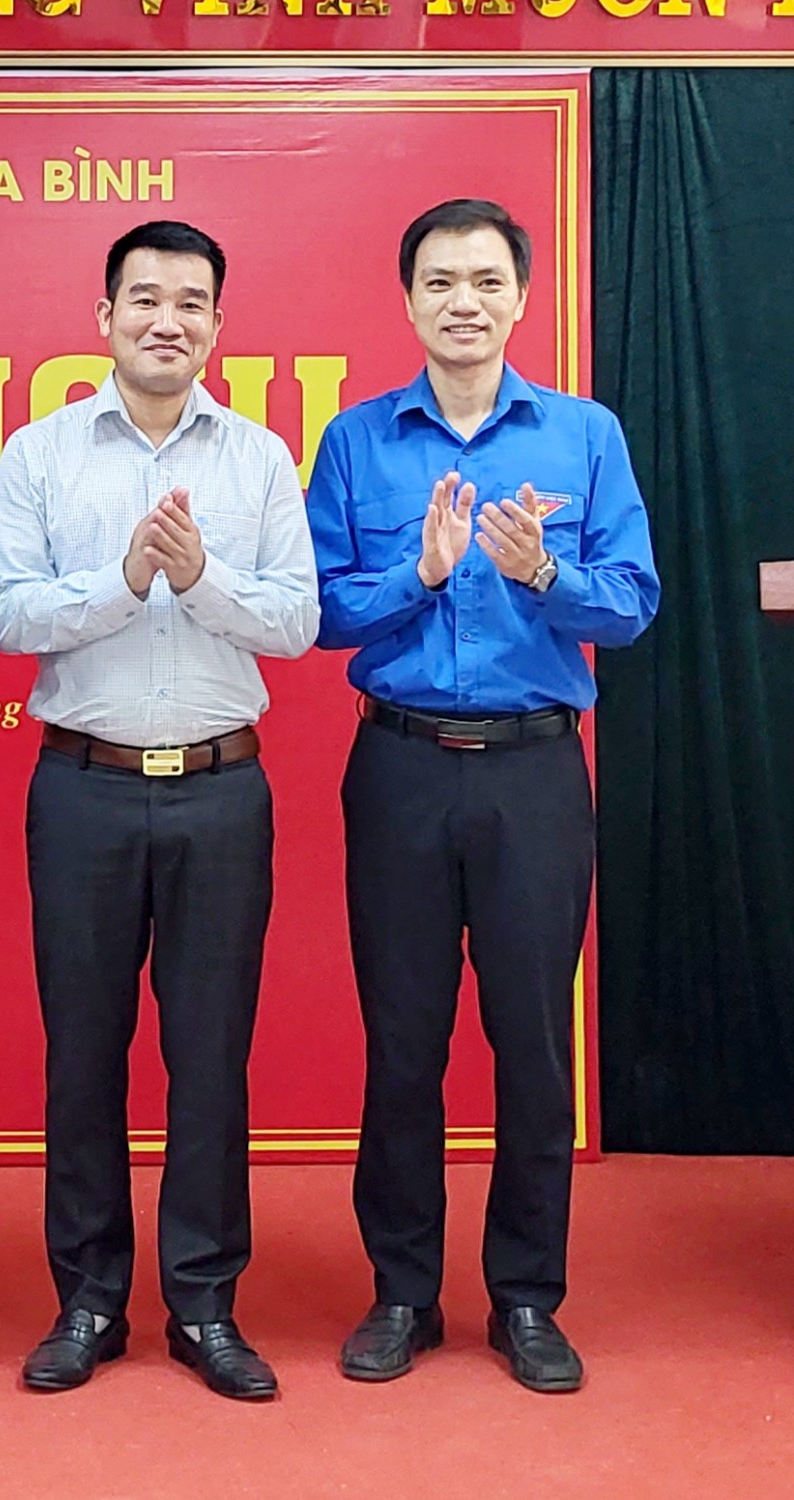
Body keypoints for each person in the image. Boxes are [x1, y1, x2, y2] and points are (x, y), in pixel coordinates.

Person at [308, 198, 658, 1393]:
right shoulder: (356, 440)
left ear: (519, 297)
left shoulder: (584, 434)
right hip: (400, 766)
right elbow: (320, 610)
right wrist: (419, 573)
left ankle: (524, 1295)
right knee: (402, 1040)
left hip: (533, 770)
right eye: (439, 282)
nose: (463, 301)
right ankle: (401, 1290)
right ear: (407, 300)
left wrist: (543, 571)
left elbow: (631, 601)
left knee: (532, 1041)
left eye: (485, 280)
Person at [0, 221, 319, 1402]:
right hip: (83, 787)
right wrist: (124, 580)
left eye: (189, 302)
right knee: (82, 1051)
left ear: (217, 325)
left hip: (222, 791)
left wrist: (199, 578)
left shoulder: (260, 457)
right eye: (143, 299)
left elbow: (295, 621)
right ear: (104, 317)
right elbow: (9, 614)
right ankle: (86, 1297)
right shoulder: (38, 452)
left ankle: (204, 1303)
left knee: (210, 1054)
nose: (164, 320)